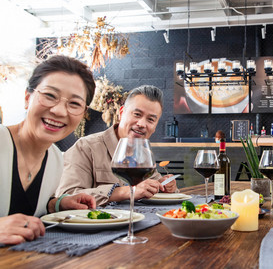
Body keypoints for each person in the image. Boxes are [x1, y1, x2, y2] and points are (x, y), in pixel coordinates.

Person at [0, 55, 97, 245]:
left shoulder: (55, 159)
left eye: (74, 104)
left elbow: (24, 207)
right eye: (50, 96)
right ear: (28, 98)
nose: (59, 111)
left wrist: (57, 204)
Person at [56, 85, 178, 206]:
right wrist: (124, 192)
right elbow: (67, 195)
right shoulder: (86, 147)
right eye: (137, 114)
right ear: (121, 113)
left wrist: (166, 187)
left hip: (140, 222)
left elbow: (157, 187)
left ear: (155, 126)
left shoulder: (144, 153)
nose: (141, 124)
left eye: (150, 120)